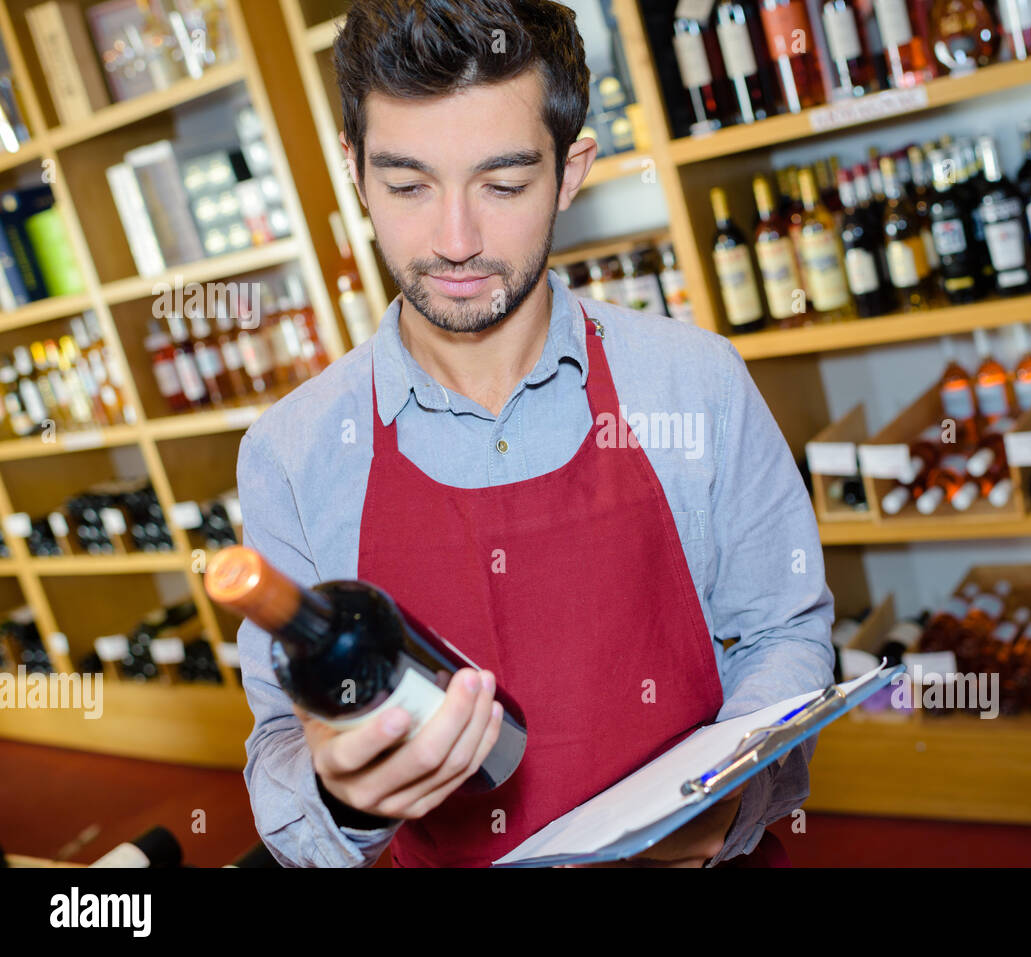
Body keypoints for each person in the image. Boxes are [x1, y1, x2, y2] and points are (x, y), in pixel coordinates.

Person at [235, 0, 833, 868]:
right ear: (355, 173)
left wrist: (731, 796)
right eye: (407, 186)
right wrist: (340, 795)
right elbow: (278, 754)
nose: (455, 240)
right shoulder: (290, 454)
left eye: (504, 185)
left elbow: (784, 633)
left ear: (571, 170)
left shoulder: (694, 381)